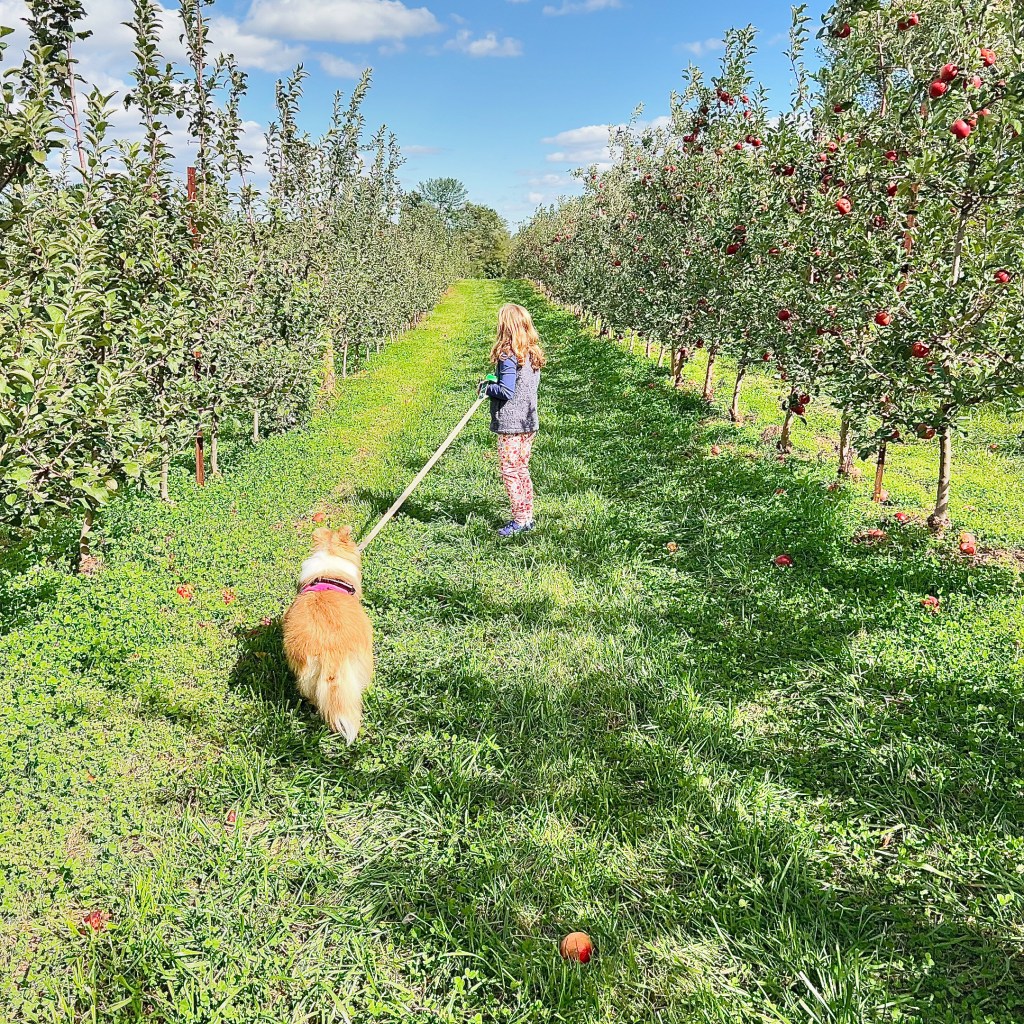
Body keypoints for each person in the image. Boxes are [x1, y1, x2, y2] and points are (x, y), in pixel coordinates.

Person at [480, 303, 546, 537]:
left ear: (504, 327)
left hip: (511, 425)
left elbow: (507, 391)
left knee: (510, 470)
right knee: (521, 469)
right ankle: (527, 517)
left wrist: (487, 388)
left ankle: (519, 520)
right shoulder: (532, 353)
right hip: (528, 422)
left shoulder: (508, 355)